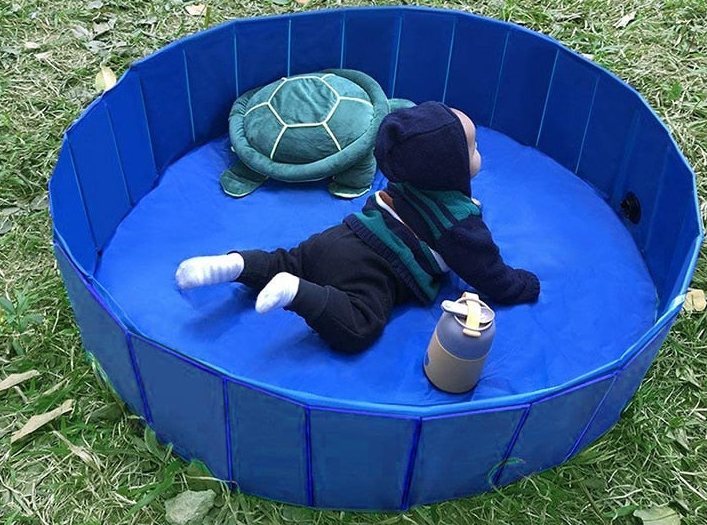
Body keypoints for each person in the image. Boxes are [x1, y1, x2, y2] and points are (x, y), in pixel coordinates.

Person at [175, 101, 539, 353]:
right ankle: (297, 293)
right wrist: (525, 284)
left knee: (285, 258)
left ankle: (234, 264)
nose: (479, 153)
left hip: (342, 235)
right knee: (359, 326)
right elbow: (490, 275)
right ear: (451, 168)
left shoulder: (403, 176)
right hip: (376, 269)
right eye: (473, 149)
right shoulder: (458, 223)